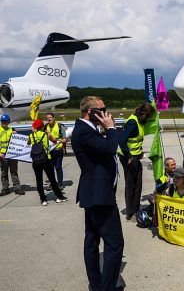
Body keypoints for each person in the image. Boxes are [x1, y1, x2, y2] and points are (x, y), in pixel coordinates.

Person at [72, 96, 124, 291]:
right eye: (102, 109)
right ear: (90, 112)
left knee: (92, 240)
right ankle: (106, 288)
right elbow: (110, 147)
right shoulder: (84, 131)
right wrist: (110, 128)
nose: (106, 113)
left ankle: (96, 284)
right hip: (99, 195)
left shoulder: (88, 130)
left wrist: (106, 129)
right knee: (114, 244)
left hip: (95, 193)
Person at [118, 103, 154, 220]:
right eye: (147, 117)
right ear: (142, 114)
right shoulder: (133, 122)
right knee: (131, 185)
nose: (147, 119)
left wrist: (140, 152)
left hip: (135, 157)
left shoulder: (139, 121)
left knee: (138, 184)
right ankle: (130, 212)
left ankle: (136, 208)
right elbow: (122, 140)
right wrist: (129, 156)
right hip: (129, 158)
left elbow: (135, 140)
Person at [27, 119, 67, 205]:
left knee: (39, 180)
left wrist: (33, 133)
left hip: (36, 161)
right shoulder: (46, 134)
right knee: (52, 179)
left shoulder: (31, 135)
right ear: (42, 126)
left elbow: (28, 143)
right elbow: (54, 141)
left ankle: (43, 199)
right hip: (46, 159)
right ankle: (59, 196)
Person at [0, 114, 23, 196]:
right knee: (4, 172)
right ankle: (5, 188)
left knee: (14, 172)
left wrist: (16, 134)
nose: (4, 123)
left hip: (12, 155)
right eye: (2, 121)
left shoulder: (12, 130)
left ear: (9, 122)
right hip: (2, 155)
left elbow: (18, 142)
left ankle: (17, 188)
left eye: (5, 121)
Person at [45, 112, 67, 190]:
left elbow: (64, 137)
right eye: (47, 118)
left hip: (58, 150)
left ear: (54, 118)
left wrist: (64, 140)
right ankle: (52, 183)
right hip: (48, 151)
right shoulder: (45, 127)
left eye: (50, 117)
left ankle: (60, 184)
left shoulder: (60, 126)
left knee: (58, 167)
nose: (49, 119)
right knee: (50, 168)